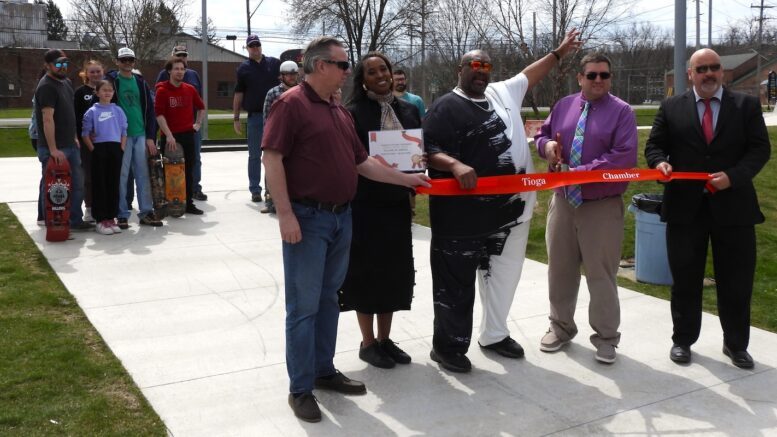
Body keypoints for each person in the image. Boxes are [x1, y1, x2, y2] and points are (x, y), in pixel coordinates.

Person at [262, 36, 430, 423]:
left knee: (327, 301)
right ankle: (300, 388)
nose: (346, 71)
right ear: (321, 66)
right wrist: (285, 214)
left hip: (341, 218)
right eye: (342, 64)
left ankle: (323, 371)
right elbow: (272, 159)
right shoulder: (292, 104)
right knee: (303, 307)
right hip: (308, 219)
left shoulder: (337, 109)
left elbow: (362, 162)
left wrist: (407, 180)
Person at [422, 29, 582, 373]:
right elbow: (427, 150)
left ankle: (494, 335)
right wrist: (454, 165)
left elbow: (531, 74)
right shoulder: (445, 107)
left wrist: (559, 53)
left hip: (513, 213)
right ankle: (447, 348)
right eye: (474, 65)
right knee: (456, 285)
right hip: (463, 219)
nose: (481, 71)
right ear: (460, 70)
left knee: (504, 278)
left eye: (486, 66)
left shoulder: (501, 92)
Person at [645, 48, 770, 369]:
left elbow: (760, 149)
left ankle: (736, 345)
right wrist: (659, 163)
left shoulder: (745, 106)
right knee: (685, 279)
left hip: (735, 208)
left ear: (722, 72)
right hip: (685, 210)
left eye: (714, 67)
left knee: (737, 281)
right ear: (690, 74)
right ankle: (683, 340)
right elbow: (655, 145)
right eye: (701, 69)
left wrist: (733, 177)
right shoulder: (671, 107)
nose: (709, 73)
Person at [534, 53, 638, 364]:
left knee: (601, 274)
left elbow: (623, 157)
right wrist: (546, 146)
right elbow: (541, 135)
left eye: (604, 75)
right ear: (580, 78)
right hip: (563, 202)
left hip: (601, 206)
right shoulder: (564, 105)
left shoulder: (622, 112)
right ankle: (560, 327)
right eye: (591, 75)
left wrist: (578, 173)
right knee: (560, 270)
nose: (598, 80)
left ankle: (606, 337)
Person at [339, 52, 421, 369]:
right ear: (362, 80)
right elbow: (351, 159)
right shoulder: (352, 113)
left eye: (383, 69)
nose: (380, 75)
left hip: (397, 204)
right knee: (367, 274)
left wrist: (420, 162)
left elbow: (418, 150)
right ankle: (368, 342)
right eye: (371, 72)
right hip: (365, 205)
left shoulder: (408, 110)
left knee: (393, 273)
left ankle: (385, 340)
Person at [34, 49, 92, 233]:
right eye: (58, 64)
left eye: (65, 63)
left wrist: (74, 136)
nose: (63, 67)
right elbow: (47, 119)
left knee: (77, 184)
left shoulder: (66, 82)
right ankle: (51, 222)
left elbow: (69, 113)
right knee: (53, 187)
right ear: (47, 66)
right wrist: (53, 149)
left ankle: (74, 220)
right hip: (54, 148)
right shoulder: (46, 86)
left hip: (71, 144)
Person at [105, 47, 163, 228]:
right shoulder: (112, 82)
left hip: (140, 134)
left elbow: (150, 110)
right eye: (123, 60)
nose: (127, 63)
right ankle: (122, 214)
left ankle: (146, 212)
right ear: (117, 61)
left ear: (134, 62)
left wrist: (150, 136)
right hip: (122, 137)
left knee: (143, 175)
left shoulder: (140, 82)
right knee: (122, 176)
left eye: (130, 59)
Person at [155, 56, 206, 216]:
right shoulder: (162, 90)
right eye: (176, 69)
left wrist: (197, 124)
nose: (180, 72)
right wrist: (169, 135)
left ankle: (188, 203)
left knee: (188, 170)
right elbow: (159, 115)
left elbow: (201, 107)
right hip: (170, 137)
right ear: (169, 71)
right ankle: (170, 204)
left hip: (187, 135)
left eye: (182, 69)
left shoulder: (190, 89)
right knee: (169, 171)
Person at [232, 34, 281, 202]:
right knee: (254, 155)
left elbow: (287, 84)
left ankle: (271, 189)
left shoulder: (275, 64)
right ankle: (255, 189)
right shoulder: (243, 69)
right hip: (255, 118)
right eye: (251, 46)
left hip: (275, 117)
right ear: (247, 49)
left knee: (273, 155)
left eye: (257, 45)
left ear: (261, 46)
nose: (255, 48)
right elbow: (239, 93)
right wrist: (236, 118)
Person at [81, 80, 128, 235]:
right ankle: (101, 220)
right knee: (100, 183)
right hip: (99, 149)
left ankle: (111, 217)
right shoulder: (92, 111)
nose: (107, 93)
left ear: (113, 93)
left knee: (113, 184)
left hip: (115, 149)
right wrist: (93, 150)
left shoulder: (118, 110)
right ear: (97, 92)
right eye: (104, 90)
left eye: (110, 90)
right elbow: (85, 134)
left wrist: (121, 148)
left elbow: (124, 131)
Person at [260, 60, 301, 214]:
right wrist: (268, 139)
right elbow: (266, 117)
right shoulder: (273, 93)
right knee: (272, 168)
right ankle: (270, 201)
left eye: (294, 74)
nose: (291, 77)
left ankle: (293, 201)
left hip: (296, 137)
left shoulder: (303, 91)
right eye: (288, 74)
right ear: (281, 76)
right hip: (277, 137)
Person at [74, 60, 105, 224]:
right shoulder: (80, 92)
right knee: (88, 177)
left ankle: (104, 208)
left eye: (98, 71)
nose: (95, 74)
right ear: (86, 74)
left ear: (103, 72)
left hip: (105, 141)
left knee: (104, 175)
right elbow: (76, 117)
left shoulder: (107, 90)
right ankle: (89, 209)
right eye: (92, 72)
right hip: (87, 141)